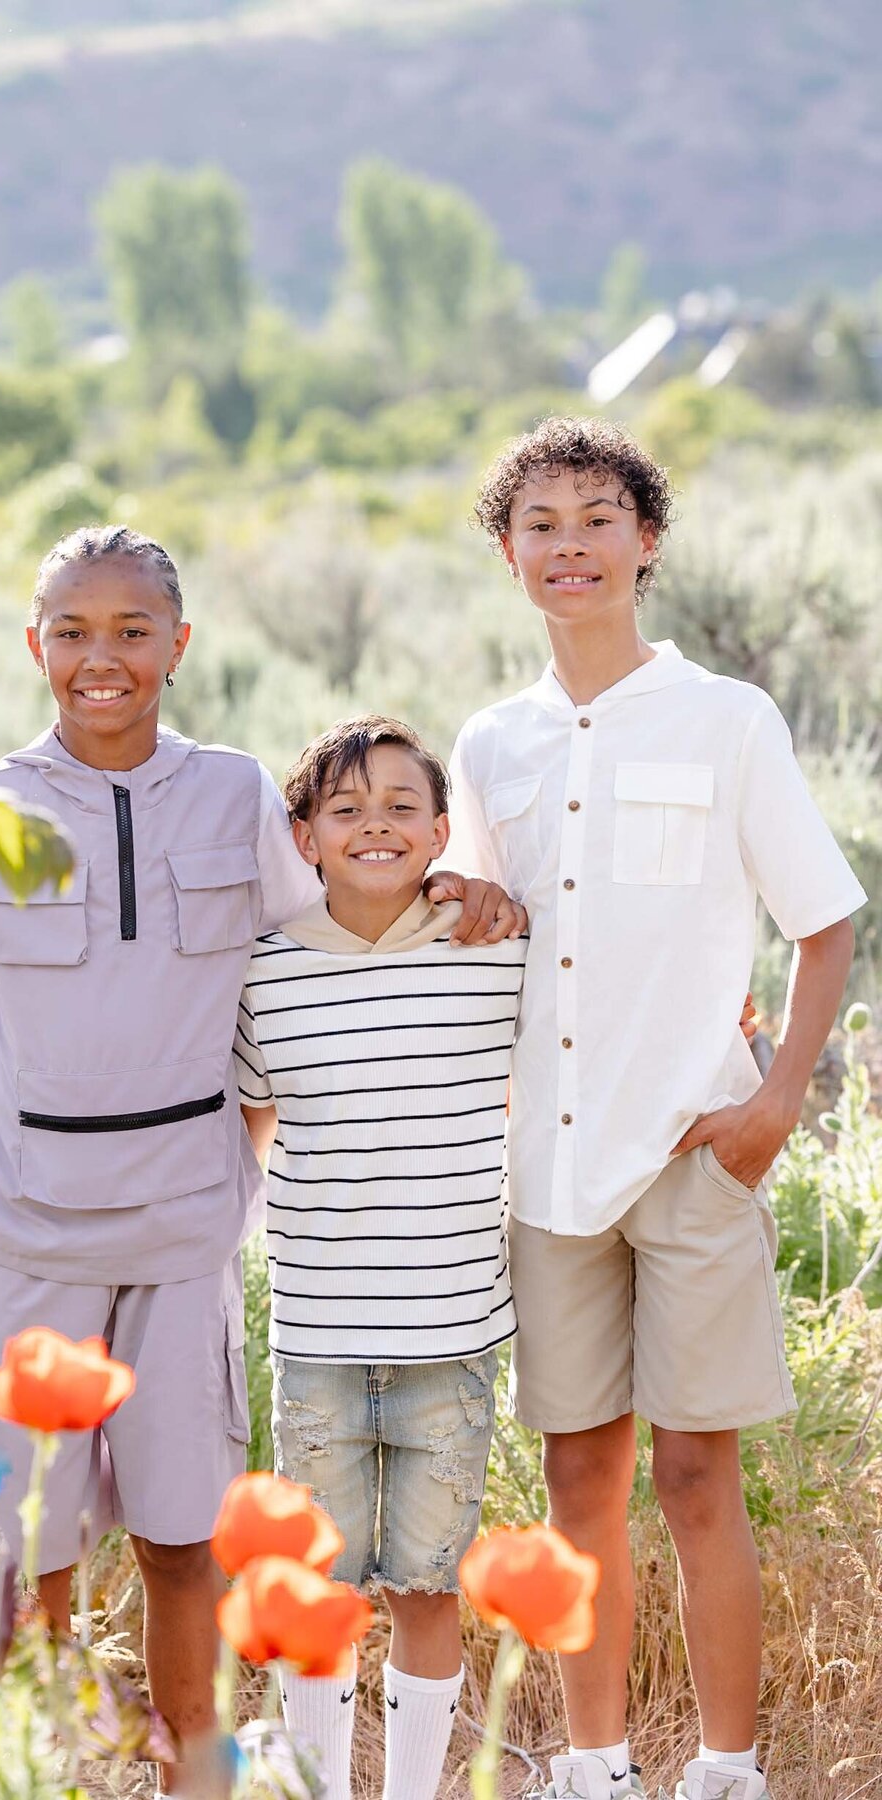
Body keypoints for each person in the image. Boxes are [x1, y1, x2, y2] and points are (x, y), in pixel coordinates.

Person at [0, 524, 522, 1794]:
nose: (102, 657)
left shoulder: (236, 793)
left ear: (179, 646)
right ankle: (40, 1766)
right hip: (18, 1237)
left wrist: (465, 893)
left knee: (186, 1542)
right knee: (23, 1551)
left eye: (133, 630)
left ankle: (198, 1770)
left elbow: (334, 937)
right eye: (73, 630)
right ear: (35, 646)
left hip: (182, 1241)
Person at [448, 418, 866, 1800]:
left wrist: (777, 1104)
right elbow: (471, 924)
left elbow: (824, 922)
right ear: (509, 554)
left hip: (695, 1146)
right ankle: (594, 1764)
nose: (570, 546)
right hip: (549, 1161)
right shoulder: (493, 741)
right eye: (542, 524)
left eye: (596, 519)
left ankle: (731, 1771)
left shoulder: (727, 718)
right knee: (579, 1482)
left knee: (696, 1474)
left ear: (647, 542)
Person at [234, 715, 528, 1800]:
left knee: (428, 1585)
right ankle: (317, 1786)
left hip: (452, 1336)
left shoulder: (491, 952)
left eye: (403, 807)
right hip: (315, 1333)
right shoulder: (265, 975)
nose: (375, 826)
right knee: (314, 1587)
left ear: (443, 832)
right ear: (302, 837)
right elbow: (250, 1128)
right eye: (345, 809)